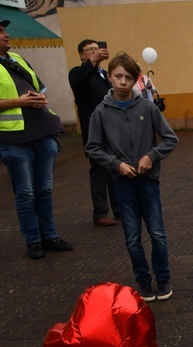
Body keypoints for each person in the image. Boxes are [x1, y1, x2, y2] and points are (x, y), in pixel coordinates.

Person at [85, 52, 178, 301]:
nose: (123, 82)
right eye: (117, 76)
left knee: (157, 233)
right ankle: (144, 281)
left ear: (136, 79)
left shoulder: (147, 108)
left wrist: (152, 156)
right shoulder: (101, 113)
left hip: (148, 182)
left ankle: (163, 278)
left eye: (128, 77)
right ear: (110, 77)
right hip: (122, 184)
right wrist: (116, 165)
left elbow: (170, 138)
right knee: (132, 236)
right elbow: (92, 147)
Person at [0, 18, 71, 260]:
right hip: (13, 140)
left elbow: (40, 89)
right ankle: (33, 241)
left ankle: (49, 236)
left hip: (42, 133)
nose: (6, 34)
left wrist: (40, 99)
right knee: (26, 192)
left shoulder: (17, 59)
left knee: (45, 189)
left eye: (4, 29)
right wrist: (18, 102)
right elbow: (19, 99)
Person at [68, 39, 119, 227]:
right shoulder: (78, 73)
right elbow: (79, 81)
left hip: (112, 129)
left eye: (97, 49)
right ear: (82, 55)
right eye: (90, 50)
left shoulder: (105, 75)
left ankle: (119, 208)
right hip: (94, 131)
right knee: (99, 171)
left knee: (115, 167)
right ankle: (100, 213)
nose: (95, 52)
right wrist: (92, 62)